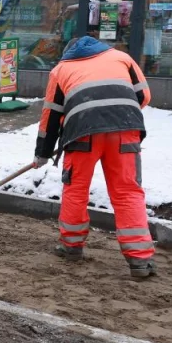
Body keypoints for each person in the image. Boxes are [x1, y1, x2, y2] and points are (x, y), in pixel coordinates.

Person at [35, 36, 154, 279]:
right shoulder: (122, 57)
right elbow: (143, 96)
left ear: (68, 53)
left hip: (82, 135)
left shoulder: (61, 70)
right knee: (127, 191)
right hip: (125, 130)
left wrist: (43, 153)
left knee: (76, 189)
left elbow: (51, 115)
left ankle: (72, 247)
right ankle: (140, 260)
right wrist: (114, 116)